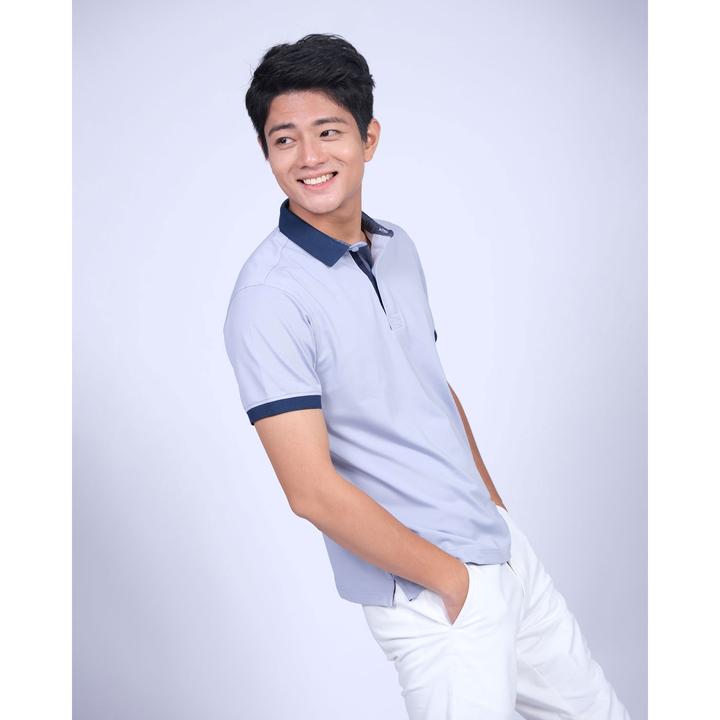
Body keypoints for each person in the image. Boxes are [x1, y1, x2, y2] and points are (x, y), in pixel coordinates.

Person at [223, 32, 631, 720]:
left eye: (328, 131)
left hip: (499, 551)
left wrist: (495, 513)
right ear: (267, 153)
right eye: (284, 139)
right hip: (431, 592)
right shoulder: (269, 297)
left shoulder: (395, 247)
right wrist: (448, 580)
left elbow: (430, 387)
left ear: (369, 138)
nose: (309, 156)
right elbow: (310, 491)